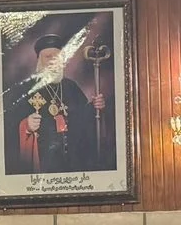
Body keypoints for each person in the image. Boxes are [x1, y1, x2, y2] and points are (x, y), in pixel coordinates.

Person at [6, 31, 106, 174]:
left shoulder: (70, 86)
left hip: (74, 159)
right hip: (44, 162)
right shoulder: (26, 89)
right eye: (48, 57)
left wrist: (95, 106)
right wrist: (26, 125)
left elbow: (83, 117)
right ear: (39, 60)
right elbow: (8, 124)